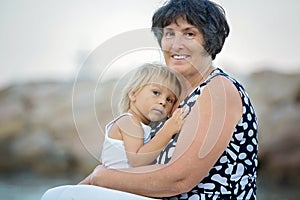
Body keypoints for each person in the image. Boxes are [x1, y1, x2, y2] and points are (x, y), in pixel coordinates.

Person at [42, 0, 258, 199]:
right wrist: (88, 183)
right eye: (169, 33)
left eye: (189, 34)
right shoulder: (174, 96)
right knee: (59, 195)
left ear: (209, 41)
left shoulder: (217, 89)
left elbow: (179, 180)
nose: (176, 44)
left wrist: (102, 178)